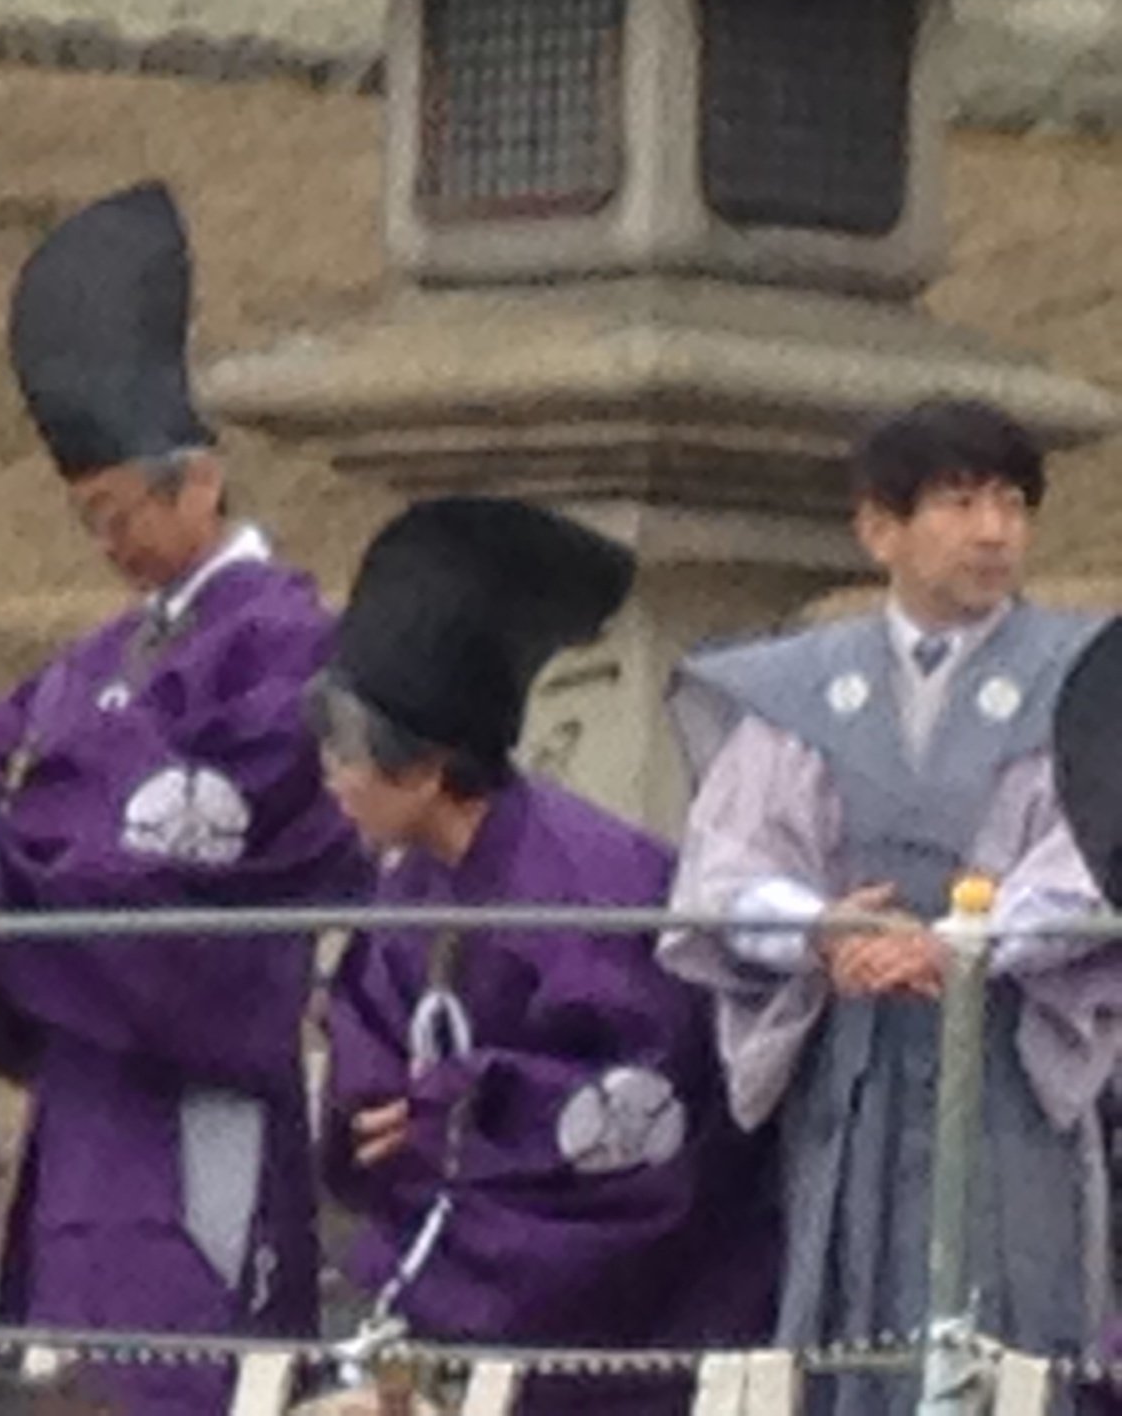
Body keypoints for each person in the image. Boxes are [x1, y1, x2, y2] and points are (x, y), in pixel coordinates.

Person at [0, 181, 366, 1416]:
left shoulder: (286, 640)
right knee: (59, 1356)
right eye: (88, 520)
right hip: (84, 1091)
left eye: (117, 514)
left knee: (177, 1362)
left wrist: (25, 787)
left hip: (197, 1074)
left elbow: (201, 818)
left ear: (199, 484)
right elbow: (7, 757)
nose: (105, 544)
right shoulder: (106, 655)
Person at [661, 399, 1122, 1412]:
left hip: (1007, 1059)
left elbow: (1095, 858)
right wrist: (825, 932)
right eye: (960, 502)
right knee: (846, 1314)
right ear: (880, 528)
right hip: (854, 1066)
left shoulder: (1089, 681)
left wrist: (966, 944)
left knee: (1012, 1317)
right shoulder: (804, 690)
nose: (994, 530)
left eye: (1011, 503)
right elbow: (728, 864)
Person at [311, 499, 777, 1413]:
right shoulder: (409, 882)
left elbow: (645, 1114)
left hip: (626, 1324)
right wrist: (383, 1111)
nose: (331, 779)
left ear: (424, 765)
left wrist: (461, 1108)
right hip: (451, 1292)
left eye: (345, 755)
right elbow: (371, 1057)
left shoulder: (597, 887)